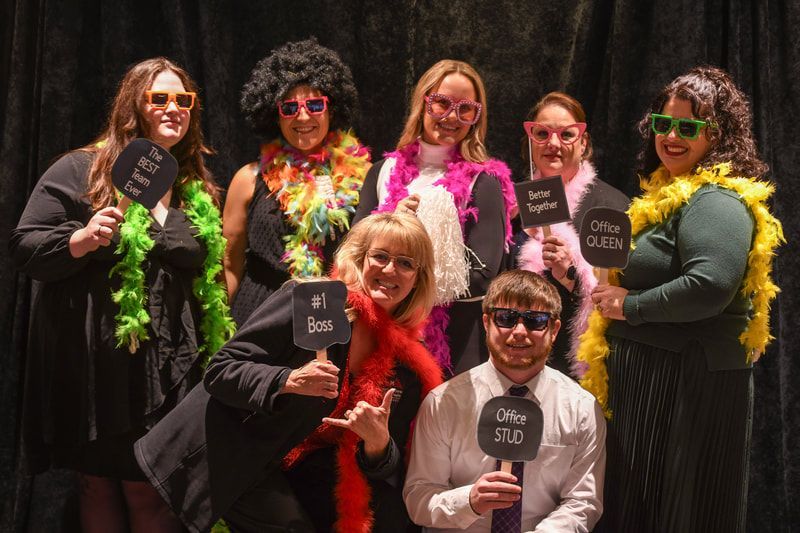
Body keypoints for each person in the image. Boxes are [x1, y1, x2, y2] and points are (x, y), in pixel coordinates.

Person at [9, 57, 232, 532]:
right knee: (99, 484)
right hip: (104, 365)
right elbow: (25, 244)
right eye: (160, 99)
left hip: (172, 364)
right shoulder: (82, 169)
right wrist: (81, 240)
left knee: (152, 490)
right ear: (135, 106)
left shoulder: (197, 188)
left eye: (183, 100)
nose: (174, 108)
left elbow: (208, 276)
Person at [135, 213, 443, 532]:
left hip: (297, 464)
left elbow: (385, 466)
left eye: (406, 263)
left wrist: (378, 443)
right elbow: (221, 370)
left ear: (418, 278)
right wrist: (288, 380)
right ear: (359, 257)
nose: (391, 270)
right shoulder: (314, 301)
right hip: (229, 448)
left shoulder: (405, 358)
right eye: (381, 256)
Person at [580, 65, 783, 532]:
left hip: (681, 385)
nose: (671, 135)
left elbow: (709, 285)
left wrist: (628, 307)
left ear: (718, 134)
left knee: (676, 510)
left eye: (688, 126)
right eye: (663, 123)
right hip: (655, 380)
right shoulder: (671, 194)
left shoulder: (716, 200)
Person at [404, 269, 606, 532]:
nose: (520, 331)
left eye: (535, 321)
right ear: (487, 323)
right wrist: (469, 501)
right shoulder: (443, 403)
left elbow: (583, 502)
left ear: (554, 329)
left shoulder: (581, 408)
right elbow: (419, 500)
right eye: (506, 318)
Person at [354, 59, 516, 377]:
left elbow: (482, 275)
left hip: (452, 343)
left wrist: (401, 283)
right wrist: (391, 225)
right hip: (379, 335)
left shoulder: (483, 182)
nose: (451, 117)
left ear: (476, 117)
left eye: (465, 108)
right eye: (441, 103)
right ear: (423, 102)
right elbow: (353, 253)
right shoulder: (382, 172)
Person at [224, 38, 371, 326]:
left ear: (332, 109)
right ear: (274, 115)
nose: (303, 116)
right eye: (289, 108)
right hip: (260, 317)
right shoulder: (248, 178)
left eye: (315, 104)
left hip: (334, 319)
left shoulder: (362, 177)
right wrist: (221, 333)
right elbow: (229, 264)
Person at [514, 92, 629, 379]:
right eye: (542, 133)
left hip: (575, 369)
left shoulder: (610, 208)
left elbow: (620, 300)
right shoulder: (513, 204)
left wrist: (571, 274)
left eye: (566, 134)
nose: (553, 143)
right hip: (514, 360)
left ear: (584, 143)